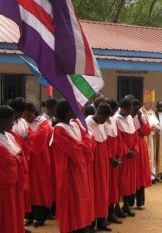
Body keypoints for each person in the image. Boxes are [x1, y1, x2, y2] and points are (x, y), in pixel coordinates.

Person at [0, 105, 30, 233]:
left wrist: (16, 159)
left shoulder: (9, 136)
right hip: (3, 189)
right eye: (10, 120)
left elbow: (19, 156)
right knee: (5, 220)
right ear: (1, 120)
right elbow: (3, 169)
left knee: (15, 217)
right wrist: (17, 159)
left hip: (14, 186)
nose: (12, 123)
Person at [52, 99, 95, 232]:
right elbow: (75, 150)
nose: (79, 111)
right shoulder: (59, 129)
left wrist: (83, 145)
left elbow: (89, 140)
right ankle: (72, 227)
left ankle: (82, 225)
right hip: (69, 170)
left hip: (80, 168)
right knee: (72, 199)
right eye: (75, 108)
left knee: (82, 198)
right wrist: (84, 145)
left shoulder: (75, 123)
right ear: (67, 111)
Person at [23, 102, 52, 228]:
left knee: (39, 187)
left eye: (27, 114)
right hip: (27, 158)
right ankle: (29, 215)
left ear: (32, 112)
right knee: (28, 187)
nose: (26, 117)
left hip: (39, 158)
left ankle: (40, 217)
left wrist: (27, 137)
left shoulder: (43, 122)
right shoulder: (23, 123)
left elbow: (40, 139)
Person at [86, 103, 113, 232]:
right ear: (99, 114)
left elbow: (105, 144)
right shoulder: (87, 123)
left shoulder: (102, 124)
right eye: (105, 118)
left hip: (102, 163)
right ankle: (91, 224)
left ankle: (102, 221)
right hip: (93, 163)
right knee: (93, 192)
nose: (105, 121)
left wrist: (110, 158)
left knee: (103, 191)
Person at [115, 98, 138, 217]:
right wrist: (126, 151)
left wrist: (134, 149)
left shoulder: (130, 118)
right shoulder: (116, 120)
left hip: (131, 156)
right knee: (120, 181)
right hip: (123, 156)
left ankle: (126, 205)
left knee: (130, 181)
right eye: (129, 109)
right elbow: (118, 139)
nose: (130, 111)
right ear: (123, 108)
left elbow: (135, 136)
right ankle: (117, 206)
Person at [104, 99, 123, 225]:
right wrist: (111, 158)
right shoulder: (102, 123)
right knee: (106, 188)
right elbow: (104, 144)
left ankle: (112, 212)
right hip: (108, 161)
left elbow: (119, 139)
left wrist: (120, 155)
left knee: (114, 188)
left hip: (116, 159)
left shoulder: (115, 121)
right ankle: (106, 214)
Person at [132, 99, 152, 210]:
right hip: (131, 145)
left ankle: (140, 201)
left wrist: (140, 118)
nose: (136, 111)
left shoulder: (142, 116)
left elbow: (147, 131)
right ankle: (130, 200)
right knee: (132, 173)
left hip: (140, 144)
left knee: (140, 172)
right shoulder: (125, 117)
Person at [140, 90, 162, 183]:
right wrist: (150, 127)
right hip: (145, 138)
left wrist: (157, 127)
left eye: (152, 103)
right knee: (146, 157)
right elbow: (142, 125)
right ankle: (146, 176)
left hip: (152, 138)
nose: (152, 105)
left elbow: (156, 122)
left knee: (152, 157)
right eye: (150, 103)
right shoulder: (141, 112)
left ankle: (152, 176)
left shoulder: (152, 112)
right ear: (145, 103)